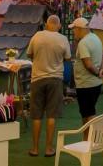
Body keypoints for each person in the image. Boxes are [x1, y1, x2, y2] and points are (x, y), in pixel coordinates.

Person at [26, 15, 71, 158]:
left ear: (46, 24)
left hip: (37, 78)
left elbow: (30, 55)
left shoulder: (37, 36)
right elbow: (68, 58)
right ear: (58, 25)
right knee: (52, 114)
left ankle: (34, 148)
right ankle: (48, 148)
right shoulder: (63, 39)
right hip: (55, 79)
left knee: (36, 115)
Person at [71, 17, 103, 126]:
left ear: (79, 29)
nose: (73, 31)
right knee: (87, 113)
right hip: (96, 84)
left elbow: (88, 65)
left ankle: (91, 141)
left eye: (74, 29)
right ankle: (86, 140)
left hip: (86, 85)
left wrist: (98, 73)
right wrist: (101, 70)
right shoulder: (96, 38)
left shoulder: (83, 43)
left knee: (89, 114)